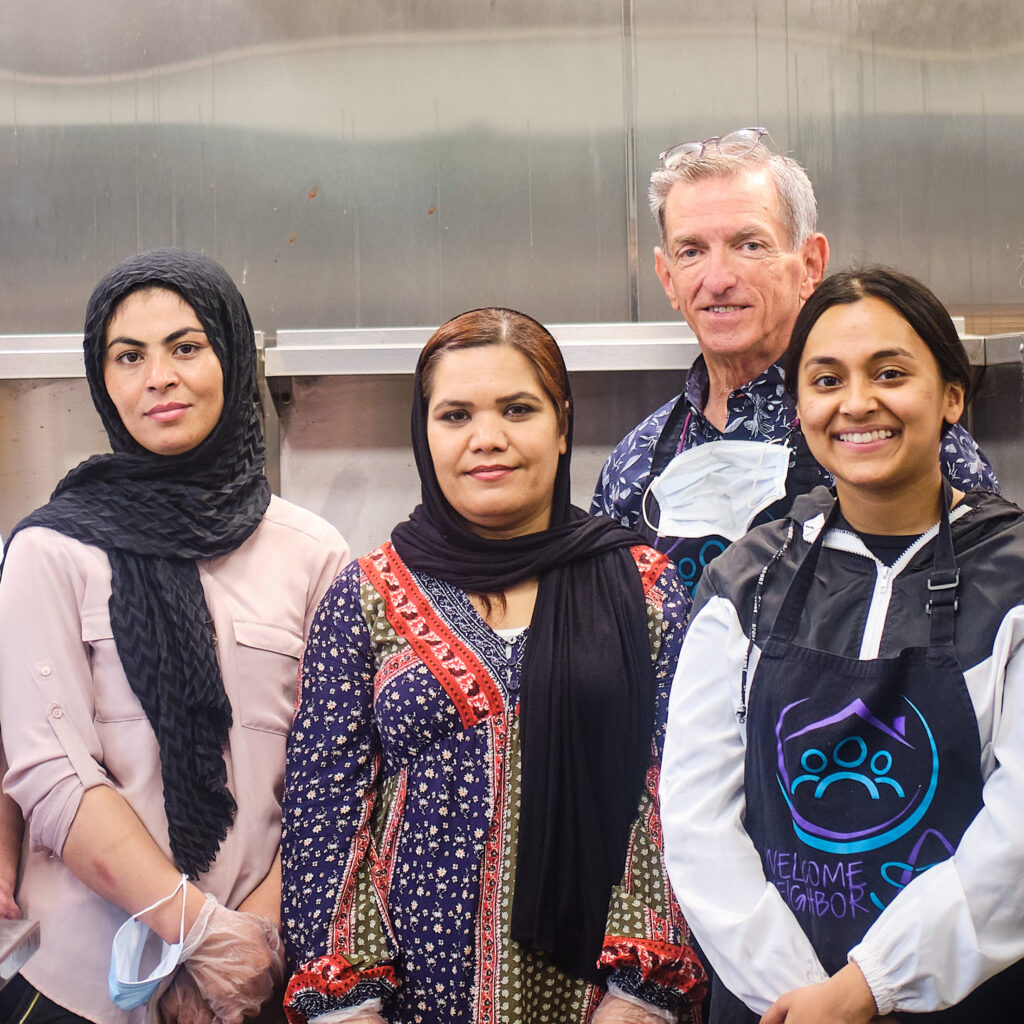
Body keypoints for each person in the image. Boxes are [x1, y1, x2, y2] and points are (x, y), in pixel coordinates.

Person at [281, 308, 706, 1024]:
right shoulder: (365, 597)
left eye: (518, 409)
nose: (488, 439)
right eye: (455, 415)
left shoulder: (646, 589)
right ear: (425, 434)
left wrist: (641, 995)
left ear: (561, 425)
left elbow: (677, 791)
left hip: (601, 1002)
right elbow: (326, 811)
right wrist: (348, 1001)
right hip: (410, 1003)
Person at [659, 267, 1024, 1023]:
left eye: (891, 373)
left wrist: (870, 988)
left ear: (952, 394)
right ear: (800, 407)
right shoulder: (746, 580)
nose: (857, 403)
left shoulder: (1013, 576)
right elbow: (695, 824)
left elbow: (1016, 839)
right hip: (777, 1005)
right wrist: (803, 1001)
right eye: (827, 379)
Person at [0, 249, 349, 1024]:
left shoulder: (313, 553)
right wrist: (198, 931)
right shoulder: (49, 550)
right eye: (129, 356)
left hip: (264, 974)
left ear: (228, 354)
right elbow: (52, 772)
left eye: (186, 347)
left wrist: (251, 941)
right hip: (79, 980)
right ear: (104, 380)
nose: (158, 376)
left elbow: (333, 779)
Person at [591, 128, 997, 594]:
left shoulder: (888, 432)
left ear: (810, 265)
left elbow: (991, 603)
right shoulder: (633, 464)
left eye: (750, 245)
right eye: (692, 251)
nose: (718, 279)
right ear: (667, 277)